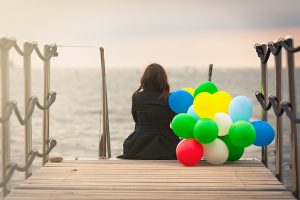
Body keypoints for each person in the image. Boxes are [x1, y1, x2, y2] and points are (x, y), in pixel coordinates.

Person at [117, 63, 180, 160]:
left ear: (145, 78)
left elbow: (136, 120)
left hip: (139, 145)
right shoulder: (169, 98)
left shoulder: (137, 97)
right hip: (165, 145)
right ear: (163, 79)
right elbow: (175, 122)